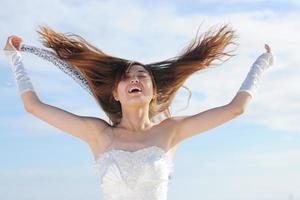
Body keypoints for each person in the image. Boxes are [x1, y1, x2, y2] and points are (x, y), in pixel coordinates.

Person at [3, 24, 274, 200]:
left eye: (142, 75)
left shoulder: (170, 131)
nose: (134, 80)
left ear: (154, 91)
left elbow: (236, 109)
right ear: (115, 93)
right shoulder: (99, 134)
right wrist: (14, 58)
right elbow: (33, 106)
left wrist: (262, 63)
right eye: (127, 77)